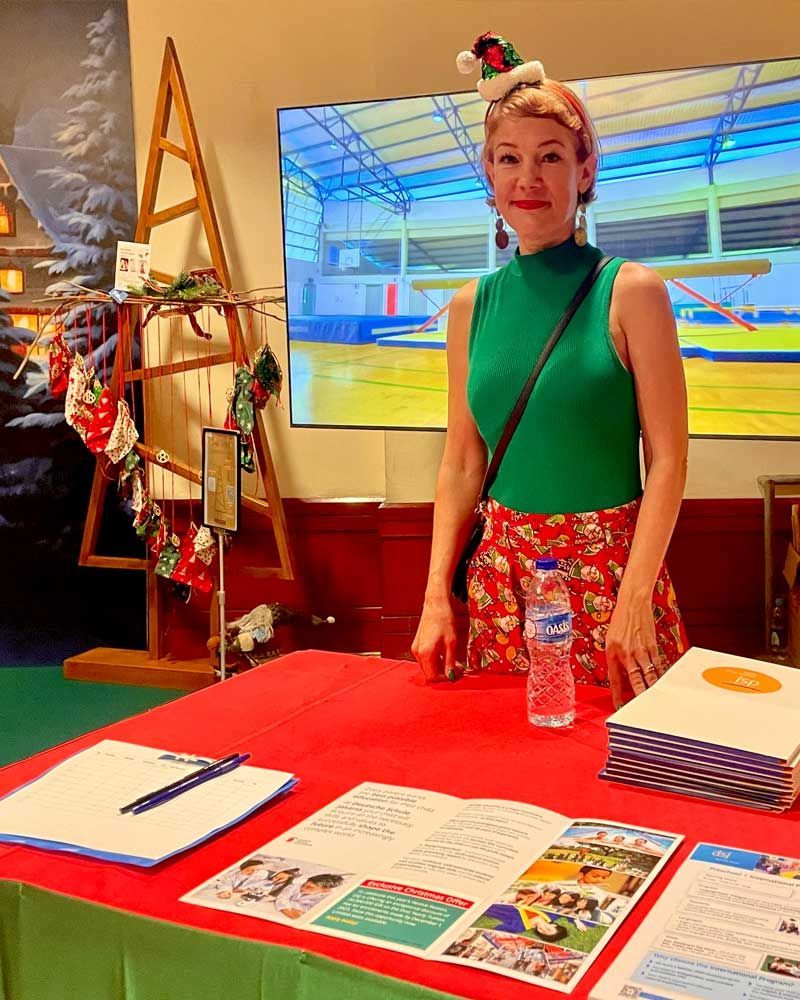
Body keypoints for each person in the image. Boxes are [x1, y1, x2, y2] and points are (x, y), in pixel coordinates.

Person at [412, 31, 688, 706]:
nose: (527, 178)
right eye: (508, 159)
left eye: (550, 157)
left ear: (585, 171)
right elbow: (461, 462)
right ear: (490, 177)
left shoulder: (631, 292)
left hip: (610, 579)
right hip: (503, 581)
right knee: (507, 774)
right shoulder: (470, 306)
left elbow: (671, 462)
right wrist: (434, 598)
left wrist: (635, 598)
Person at [274, 873, 345, 919]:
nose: (303, 888)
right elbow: (282, 898)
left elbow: (309, 911)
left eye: (310, 887)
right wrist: (289, 911)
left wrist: (290, 904)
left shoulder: (326, 898)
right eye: (304, 884)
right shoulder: (294, 887)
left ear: (325, 890)